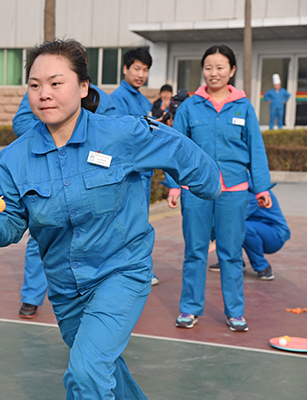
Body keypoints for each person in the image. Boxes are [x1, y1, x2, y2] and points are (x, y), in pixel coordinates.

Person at [0, 39, 221, 400]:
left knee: (86, 372)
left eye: (55, 83)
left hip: (120, 272)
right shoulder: (13, 159)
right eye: (34, 85)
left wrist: (209, 186)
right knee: (102, 370)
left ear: (83, 88)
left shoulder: (120, 134)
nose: (43, 94)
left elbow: (177, 148)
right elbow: (12, 218)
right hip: (66, 290)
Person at [165, 44, 273, 333]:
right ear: (203, 70)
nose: (214, 73)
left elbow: (255, 149)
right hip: (196, 190)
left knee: (231, 252)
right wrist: (175, 187)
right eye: (209, 67)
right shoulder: (189, 106)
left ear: (232, 70)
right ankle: (189, 308)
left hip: (235, 189)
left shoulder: (244, 106)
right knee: (196, 250)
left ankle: (235, 312)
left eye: (220, 67)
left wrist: (261, 188)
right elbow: (176, 149)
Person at [12, 82, 116, 318]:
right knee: (42, 233)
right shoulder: (42, 95)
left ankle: (94, 295)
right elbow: (20, 123)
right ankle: (31, 296)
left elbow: (113, 133)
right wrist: (56, 130)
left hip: (89, 178)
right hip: (48, 174)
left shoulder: (102, 98)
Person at [110, 48, 160, 285]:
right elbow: (121, 135)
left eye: (146, 70)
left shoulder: (144, 100)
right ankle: (126, 270)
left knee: (141, 222)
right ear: (125, 69)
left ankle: (139, 268)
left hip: (144, 171)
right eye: (137, 68)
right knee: (126, 221)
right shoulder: (117, 98)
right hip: (129, 172)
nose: (141, 74)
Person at [208, 190, 290, 280]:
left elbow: (240, 215)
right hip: (250, 226)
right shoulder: (225, 186)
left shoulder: (253, 188)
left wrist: (218, 240)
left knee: (243, 227)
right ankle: (233, 259)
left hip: (273, 234)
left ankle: (262, 266)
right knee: (213, 221)